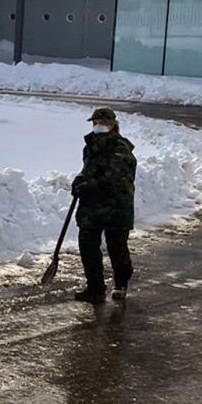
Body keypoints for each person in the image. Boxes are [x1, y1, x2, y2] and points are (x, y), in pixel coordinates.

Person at [71, 107, 137, 304]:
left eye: (102, 123)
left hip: (116, 205)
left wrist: (90, 186)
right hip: (92, 206)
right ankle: (95, 287)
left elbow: (116, 179)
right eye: (95, 123)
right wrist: (79, 180)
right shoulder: (91, 145)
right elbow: (89, 170)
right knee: (87, 243)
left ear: (112, 125)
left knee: (116, 246)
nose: (98, 126)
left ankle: (121, 283)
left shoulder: (120, 148)